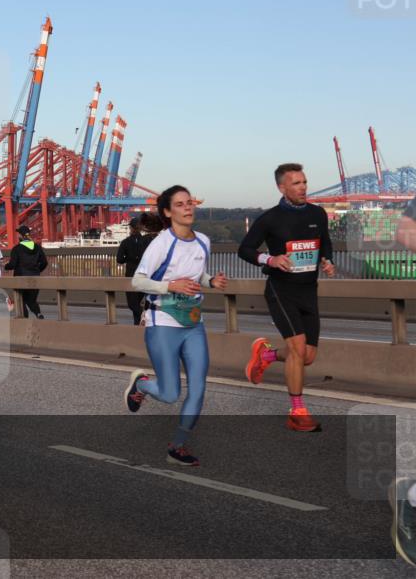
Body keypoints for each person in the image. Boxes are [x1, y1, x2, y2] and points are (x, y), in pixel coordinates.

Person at [124, 185, 228, 467]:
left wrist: (210, 282)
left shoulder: (203, 241)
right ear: (168, 212)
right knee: (170, 394)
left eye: (190, 202)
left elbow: (197, 273)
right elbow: (138, 281)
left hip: (194, 323)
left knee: (198, 388)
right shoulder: (161, 243)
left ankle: (178, 446)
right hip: (163, 322)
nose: (188, 207)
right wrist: (170, 285)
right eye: (180, 204)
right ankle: (142, 384)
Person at [239, 163, 334, 433]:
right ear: (282, 187)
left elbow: (323, 241)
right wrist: (270, 258)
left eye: (304, 182)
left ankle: (266, 354)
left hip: (308, 290)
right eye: (296, 183)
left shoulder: (317, 213)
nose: (303, 187)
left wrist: (327, 260)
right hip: (281, 290)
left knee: (308, 356)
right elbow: (244, 249)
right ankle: (298, 411)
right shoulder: (270, 218)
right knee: (297, 349)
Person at [5, 225, 48, 319]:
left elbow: (12, 264)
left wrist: (5, 266)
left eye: (18, 234)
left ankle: (25, 318)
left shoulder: (17, 249)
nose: (17, 236)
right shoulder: (37, 247)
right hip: (35, 277)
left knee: (21, 300)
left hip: (21, 278)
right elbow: (45, 262)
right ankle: (38, 314)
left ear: (21, 236)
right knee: (32, 300)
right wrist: (37, 270)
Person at [117, 217, 151, 325]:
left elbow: (120, 259)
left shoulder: (125, 242)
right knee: (141, 300)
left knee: (132, 304)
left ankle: (141, 315)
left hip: (131, 276)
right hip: (145, 275)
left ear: (131, 228)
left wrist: (129, 258)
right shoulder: (147, 241)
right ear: (141, 228)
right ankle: (139, 323)